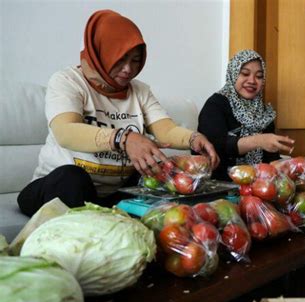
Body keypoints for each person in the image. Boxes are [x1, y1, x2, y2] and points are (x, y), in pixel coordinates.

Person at [17, 9, 219, 216]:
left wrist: (193, 139)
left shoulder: (140, 91)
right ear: (101, 53)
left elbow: (165, 130)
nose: (128, 69)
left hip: (113, 194)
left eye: (135, 60)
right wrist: (124, 139)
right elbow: (65, 132)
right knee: (71, 177)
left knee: (155, 181)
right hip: (59, 187)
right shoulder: (67, 81)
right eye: (120, 59)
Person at [197, 49, 294, 181]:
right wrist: (258, 141)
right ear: (233, 74)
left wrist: (282, 165)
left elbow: (271, 159)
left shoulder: (264, 114)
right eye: (245, 74)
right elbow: (216, 146)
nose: (252, 81)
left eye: (259, 76)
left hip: (257, 187)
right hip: (219, 185)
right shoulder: (216, 104)